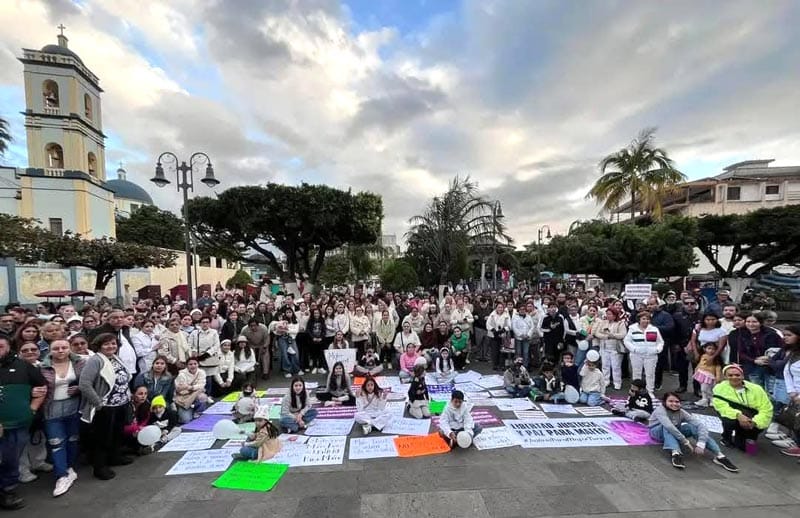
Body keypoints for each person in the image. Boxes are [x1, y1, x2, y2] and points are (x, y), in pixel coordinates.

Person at [78, 332, 133, 481]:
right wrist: (98, 402)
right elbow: (84, 384)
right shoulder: (95, 361)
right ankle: (100, 467)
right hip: (105, 406)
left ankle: (115, 457)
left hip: (120, 403)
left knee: (116, 434)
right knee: (102, 438)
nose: (111, 346)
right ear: (99, 346)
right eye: (107, 344)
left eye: (113, 343)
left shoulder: (115, 358)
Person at [0, 336, 46, 509]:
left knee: (11, 460)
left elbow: (42, 388)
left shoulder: (23, 366)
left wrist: (32, 409)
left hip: (17, 425)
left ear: (8, 346)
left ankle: (7, 491)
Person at [39, 339, 85, 497]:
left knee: (73, 439)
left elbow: (88, 382)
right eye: (56, 348)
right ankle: (61, 476)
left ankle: (69, 468)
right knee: (56, 442)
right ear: (50, 350)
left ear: (69, 349)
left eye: (64, 347)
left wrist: (79, 388)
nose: (60, 350)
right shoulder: (42, 367)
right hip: (52, 409)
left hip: (74, 407)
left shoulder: (80, 363)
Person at [649, 392, 738, 472]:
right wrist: (685, 441)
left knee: (692, 427)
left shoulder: (682, 412)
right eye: (671, 401)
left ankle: (719, 455)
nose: (674, 404)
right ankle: (675, 453)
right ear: (665, 402)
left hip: (675, 431)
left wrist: (701, 443)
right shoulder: (660, 410)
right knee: (668, 427)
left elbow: (700, 425)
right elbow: (669, 426)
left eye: (677, 402)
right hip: (657, 432)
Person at [712, 363, 773, 452]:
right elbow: (721, 407)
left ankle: (745, 436)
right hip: (734, 416)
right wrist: (738, 415)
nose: (734, 377)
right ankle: (726, 437)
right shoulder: (719, 388)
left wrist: (755, 422)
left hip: (752, 417)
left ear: (743, 376)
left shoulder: (757, 389)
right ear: (725, 377)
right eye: (730, 375)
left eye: (737, 375)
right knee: (729, 421)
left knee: (748, 450)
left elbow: (766, 408)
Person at [623, 311, 664, 397]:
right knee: (636, 373)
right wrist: (633, 349)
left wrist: (657, 349)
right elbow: (626, 341)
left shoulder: (654, 329)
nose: (646, 321)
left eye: (648, 319)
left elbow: (660, 342)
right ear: (639, 320)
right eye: (644, 319)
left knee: (650, 373)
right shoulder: (632, 328)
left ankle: (650, 391)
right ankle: (635, 390)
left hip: (651, 355)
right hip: (636, 355)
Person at [737, 313, 781, 389]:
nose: (751, 324)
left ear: (760, 322)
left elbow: (779, 349)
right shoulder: (742, 334)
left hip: (769, 366)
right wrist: (754, 360)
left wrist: (767, 357)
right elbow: (741, 353)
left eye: (754, 322)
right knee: (754, 389)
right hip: (751, 366)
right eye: (748, 321)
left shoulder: (771, 334)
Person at [594, 308, 627, 390]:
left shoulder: (620, 323)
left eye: (610, 314)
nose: (608, 316)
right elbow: (597, 333)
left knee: (616, 366)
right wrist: (606, 336)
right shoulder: (603, 322)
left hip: (615, 349)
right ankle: (606, 381)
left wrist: (613, 335)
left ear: (614, 315)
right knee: (605, 366)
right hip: (604, 347)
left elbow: (623, 334)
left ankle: (617, 382)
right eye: (607, 314)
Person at [779, 324, 800, 457]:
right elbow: (787, 371)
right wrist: (791, 391)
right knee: (795, 422)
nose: (785, 338)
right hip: (795, 394)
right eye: (784, 335)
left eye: (789, 335)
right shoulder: (793, 352)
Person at [173, 358, 209, 424]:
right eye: (190, 364)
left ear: (198, 365)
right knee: (185, 420)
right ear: (187, 366)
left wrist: (189, 387)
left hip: (196, 396)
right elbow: (180, 390)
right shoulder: (181, 374)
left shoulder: (201, 372)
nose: (193, 366)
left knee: (203, 397)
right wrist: (194, 389)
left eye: (195, 364)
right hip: (184, 398)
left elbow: (202, 385)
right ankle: (188, 410)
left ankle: (198, 411)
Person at [693, 343, 723, 407]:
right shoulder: (703, 355)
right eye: (709, 348)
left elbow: (718, 368)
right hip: (701, 374)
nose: (711, 350)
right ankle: (704, 400)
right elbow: (700, 364)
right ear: (704, 349)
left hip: (709, 376)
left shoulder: (715, 358)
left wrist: (718, 376)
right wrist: (696, 369)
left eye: (713, 349)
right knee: (703, 388)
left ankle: (712, 399)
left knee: (706, 389)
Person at [487, 303, 511, 371]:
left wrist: (503, 330)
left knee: (503, 351)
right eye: (498, 307)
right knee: (495, 351)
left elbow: (509, 325)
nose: (500, 309)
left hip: (503, 335)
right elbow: (488, 324)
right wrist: (493, 330)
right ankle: (495, 365)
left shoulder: (506, 315)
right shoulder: (492, 315)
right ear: (496, 308)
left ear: (503, 308)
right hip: (494, 335)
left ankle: (502, 365)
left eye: (501, 307)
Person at [511, 304, 534, 369]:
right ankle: (518, 366)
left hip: (526, 337)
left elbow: (532, 327)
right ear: (518, 310)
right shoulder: (515, 317)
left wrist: (528, 334)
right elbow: (514, 327)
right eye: (521, 309)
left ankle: (525, 366)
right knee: (518, 352)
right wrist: (520, 334)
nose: (522, 311)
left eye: (523, 309)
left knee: (526, 352)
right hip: (518, 338)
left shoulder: (528, 317)